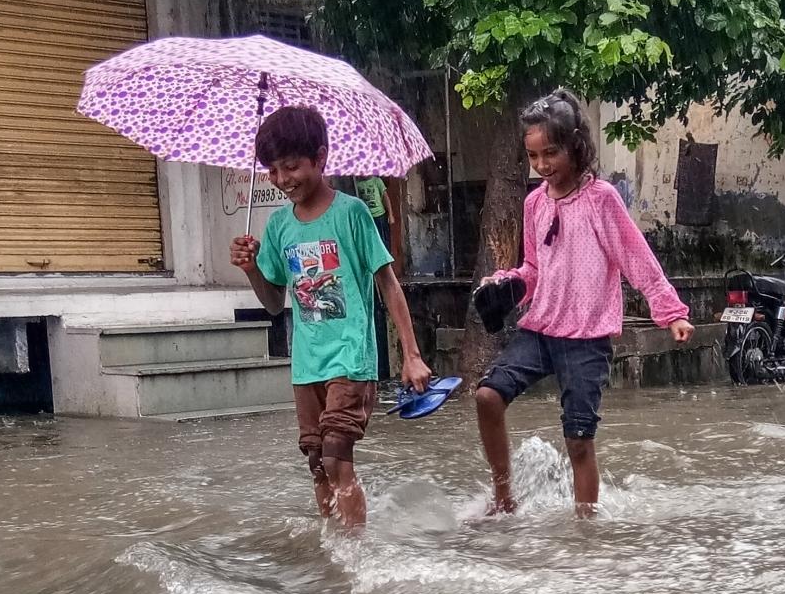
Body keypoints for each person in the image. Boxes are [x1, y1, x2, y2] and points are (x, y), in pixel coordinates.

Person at [473, 89, 694, 518]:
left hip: (587, 338)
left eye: (549, 153)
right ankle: (503, 501)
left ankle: (586, 533)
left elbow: (637, 259)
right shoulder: (534, 202)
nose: (541, 166)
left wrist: (672, 313)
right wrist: (505, 282)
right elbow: (533, 269)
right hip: (540, 328)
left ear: (576, 145)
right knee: (486, 396)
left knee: (578, 441)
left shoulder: (601, 199)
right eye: (533, 156)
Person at [231, 106, 432, 530]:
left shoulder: (352, 213)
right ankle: (332, 549)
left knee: (337, 454)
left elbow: (388, 284)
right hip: (307, 364)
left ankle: (355, 553)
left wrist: (411, 355)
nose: (283, 179)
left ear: (320, 159)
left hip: (351, 357)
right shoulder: (279, 226)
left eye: (292, 166)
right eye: (273, 170)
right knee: (317, 463)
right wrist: (250, 268)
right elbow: (272, 302)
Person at [339, 174, 407, 378]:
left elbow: (388, 282)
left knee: (380, 250)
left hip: (376, 216)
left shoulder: (357, 208)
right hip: (310, 365)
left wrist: (391, 214)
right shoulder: (280, 222)